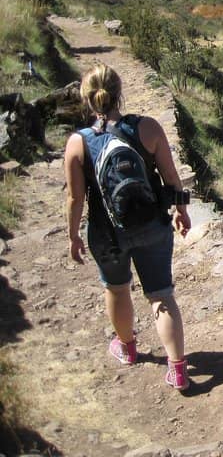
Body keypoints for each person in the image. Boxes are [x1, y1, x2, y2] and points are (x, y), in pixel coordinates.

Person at [63, 64, 193, 391]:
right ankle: (178, 369)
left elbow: (75, 198)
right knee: (161, 296)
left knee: (117, 289)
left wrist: (74, 235)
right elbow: (172, 178)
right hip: (152, 224)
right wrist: (180, 211)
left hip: (107, 234)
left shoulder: (78, 143)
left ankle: (127, 348)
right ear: (119, 93)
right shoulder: (147, 128)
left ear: (88, 100)